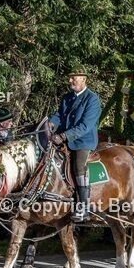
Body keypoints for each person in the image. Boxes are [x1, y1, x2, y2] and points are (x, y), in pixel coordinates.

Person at [49, 69, 102, 222]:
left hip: (83, 141)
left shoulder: (92, 99)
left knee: (79, 166)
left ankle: (83, 207)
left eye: (74, 78)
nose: (71, 81)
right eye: (70, 78)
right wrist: (50, 124)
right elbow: (59, 115)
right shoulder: (67, 97)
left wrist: (64, 136)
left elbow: (85, 125)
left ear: (84, 79)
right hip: (62, 138)